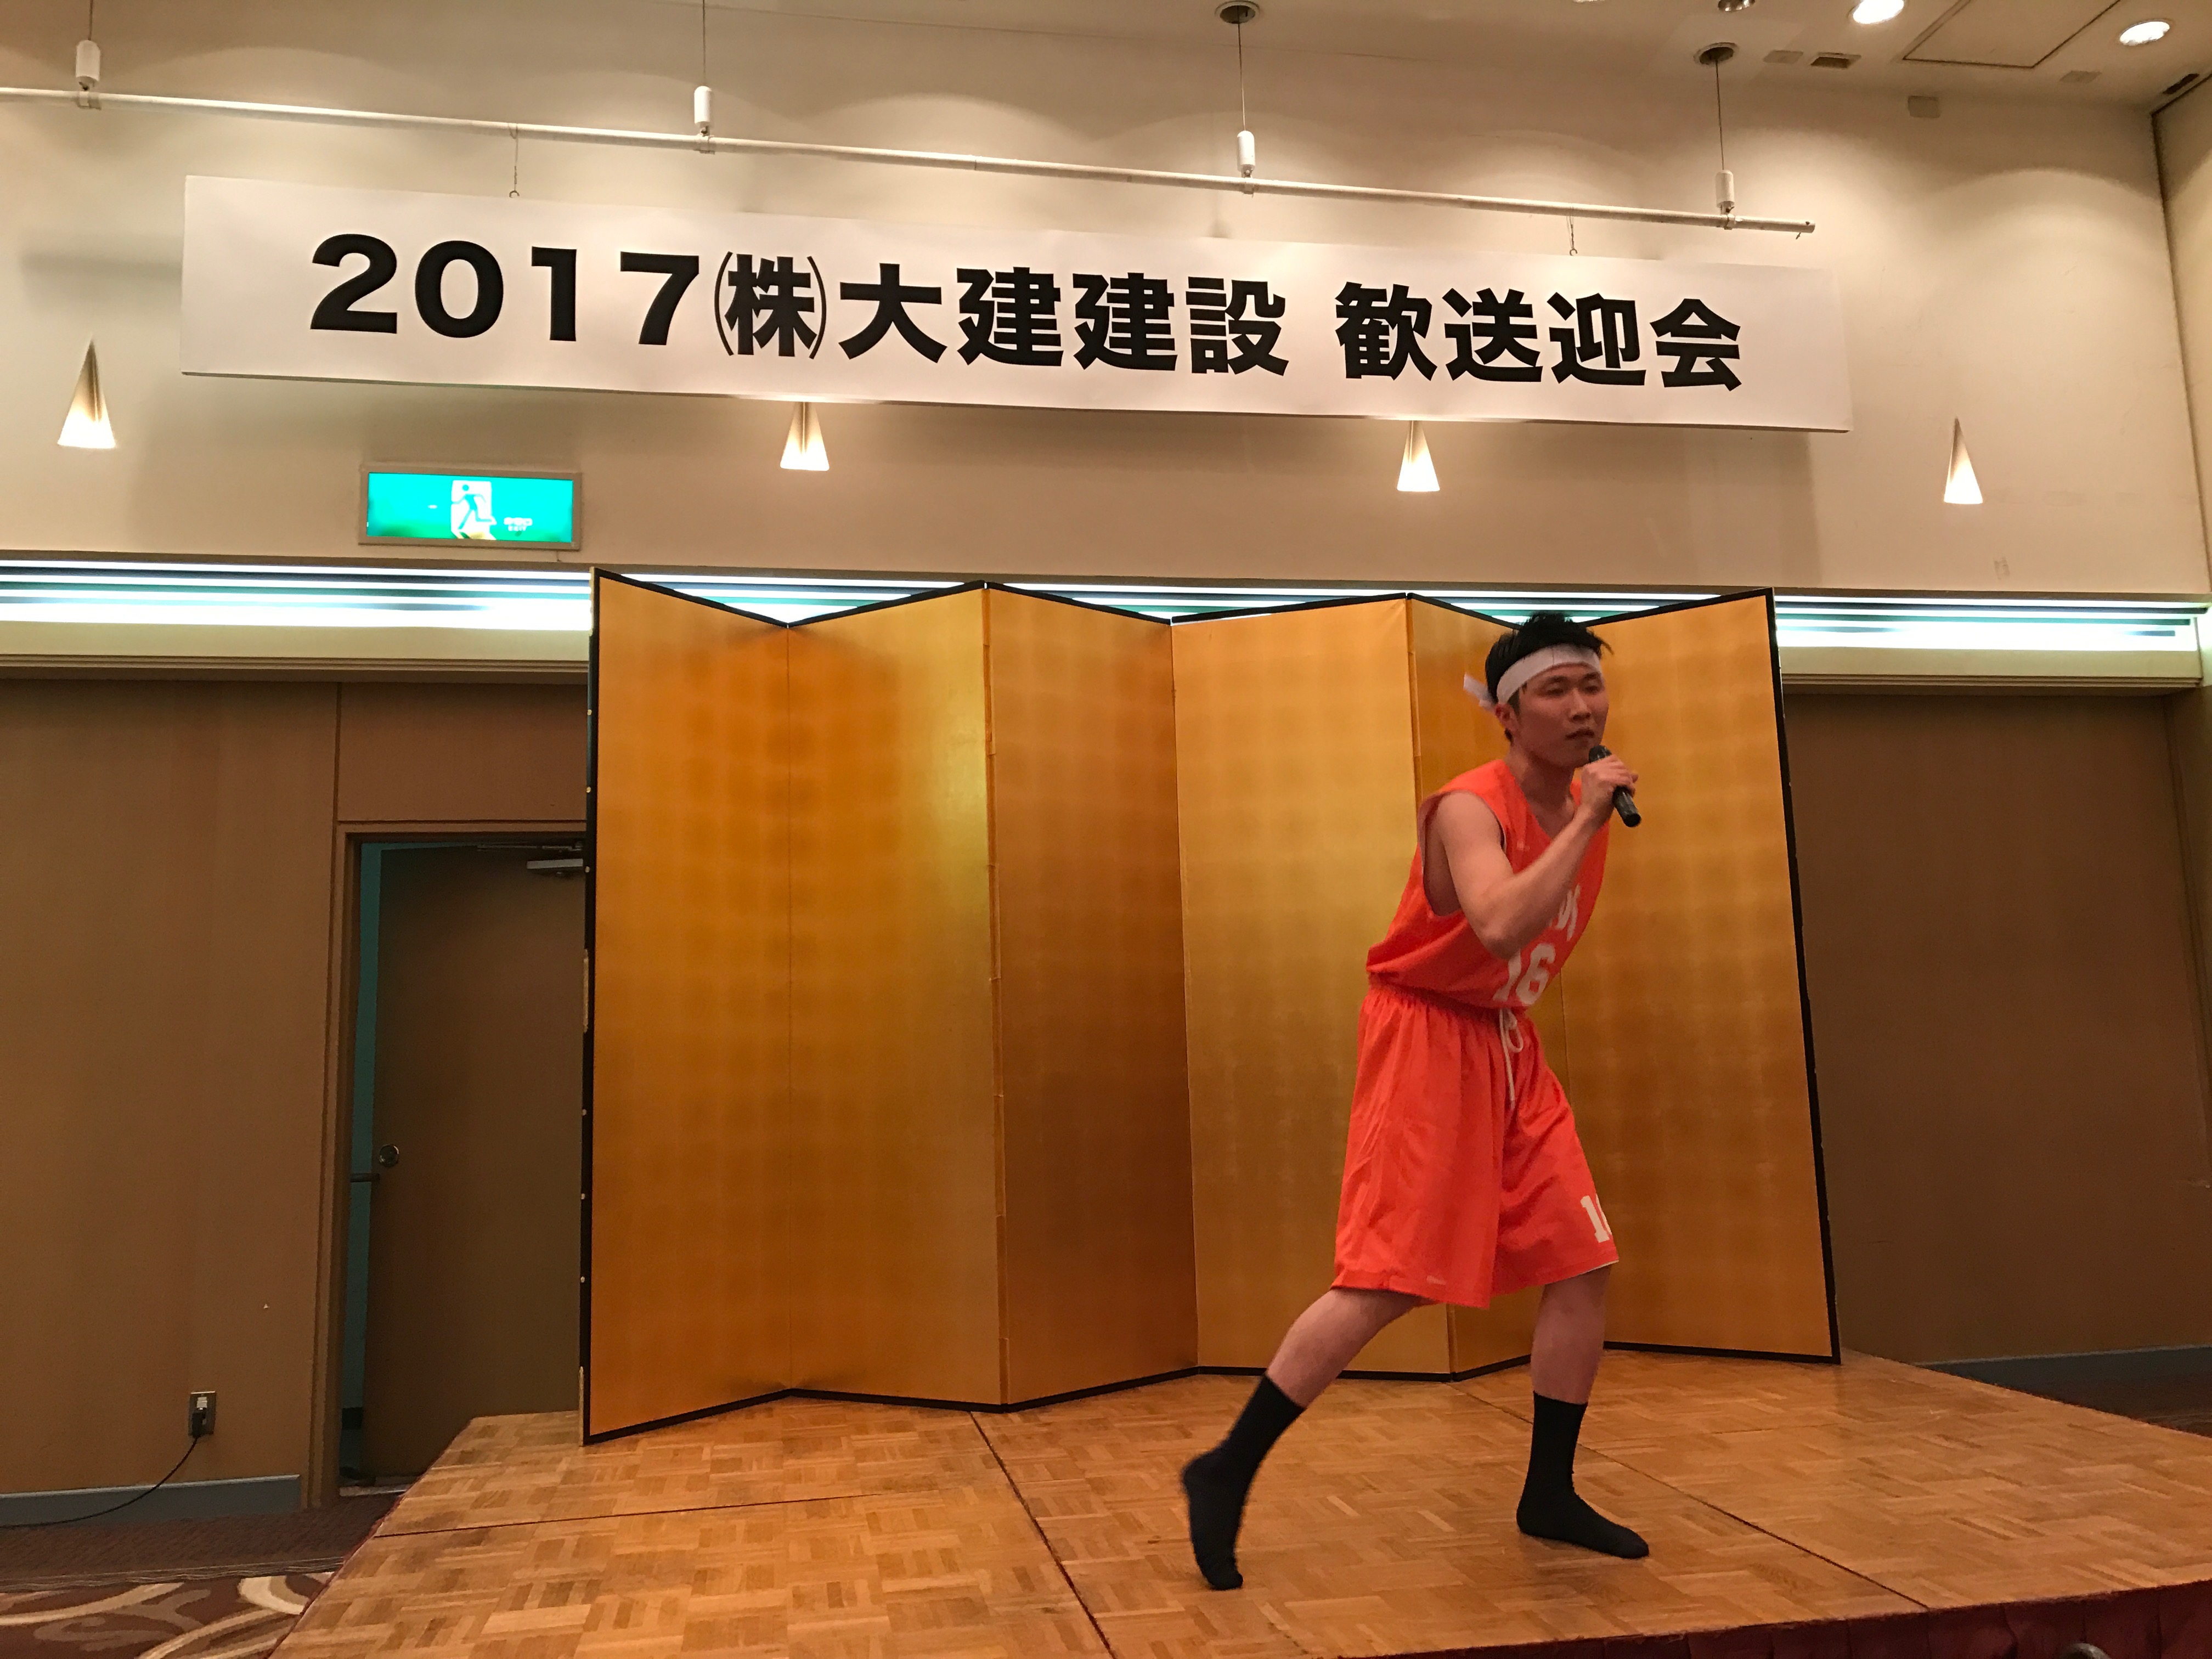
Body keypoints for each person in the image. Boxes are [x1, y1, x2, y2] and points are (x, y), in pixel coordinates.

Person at [1181, 611, 1646, 1592]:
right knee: (1386, 1279)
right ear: (1508, 715)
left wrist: (1583, 815)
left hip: (1508, 1044)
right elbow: (1500, 921)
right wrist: (1587, 823)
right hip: (1427, 1036)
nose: (1580, 708)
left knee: (1583, 1261)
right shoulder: (1471, 808)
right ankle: (1227, 1468)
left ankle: (1548, 1492)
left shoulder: (1579, 801)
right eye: (1555, 692)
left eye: (1590, 687)